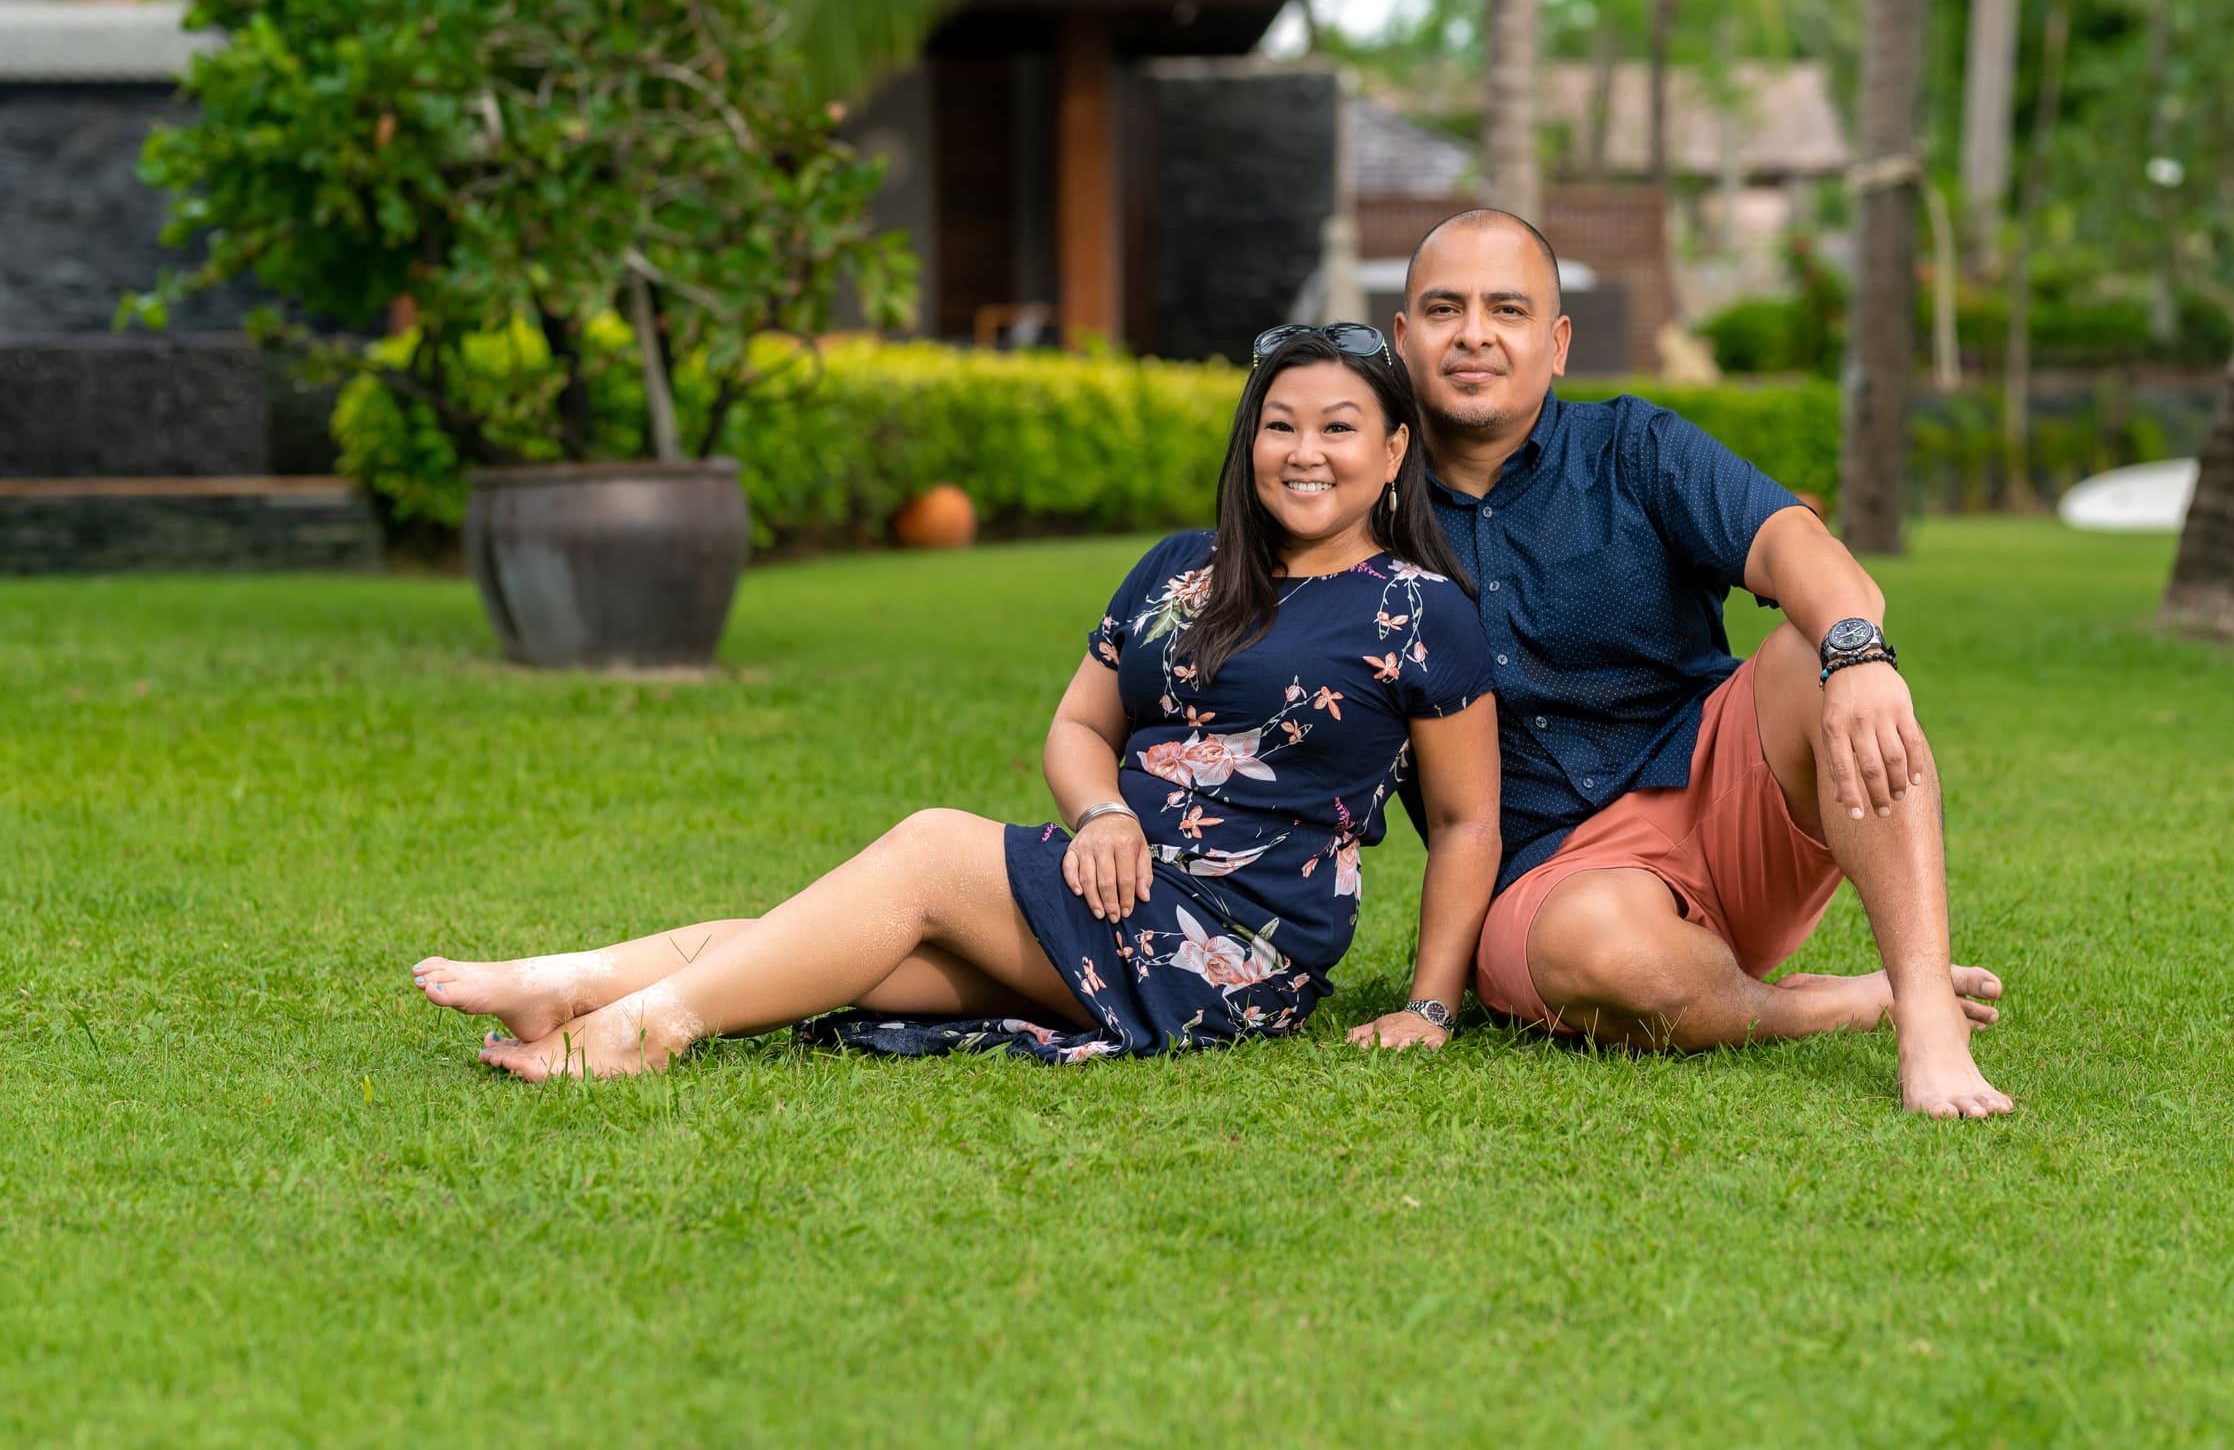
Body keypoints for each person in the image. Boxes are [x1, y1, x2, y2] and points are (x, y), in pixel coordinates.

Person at [412, 328, 1500, 1078]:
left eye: (1338, 428)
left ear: (1394, 449)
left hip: (1230, 945)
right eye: (1279, 425)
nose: (1304, 453)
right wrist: (1103, 813)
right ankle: (571, 984)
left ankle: (637, 1033)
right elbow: (1081, 726)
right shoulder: (1182, 566)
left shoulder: (1419, 610)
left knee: (931, 851)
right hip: (1109, 883)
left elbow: (1463, 821)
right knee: (853, 948)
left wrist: (1430, 1005)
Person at [1391, 208, 2014, 1119]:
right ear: (1403, 337)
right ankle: (1816, 1005)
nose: (1474, 333)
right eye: (1445, 309)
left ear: (1557, 343)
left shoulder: (1634, 449)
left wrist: (1858, 651)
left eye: (1507, 309)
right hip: (1551, 878)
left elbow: (1794, 541)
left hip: (1716, 792)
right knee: (1598, 947)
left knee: (1816, 653)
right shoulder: (1367, 515)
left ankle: (1926, 1014)